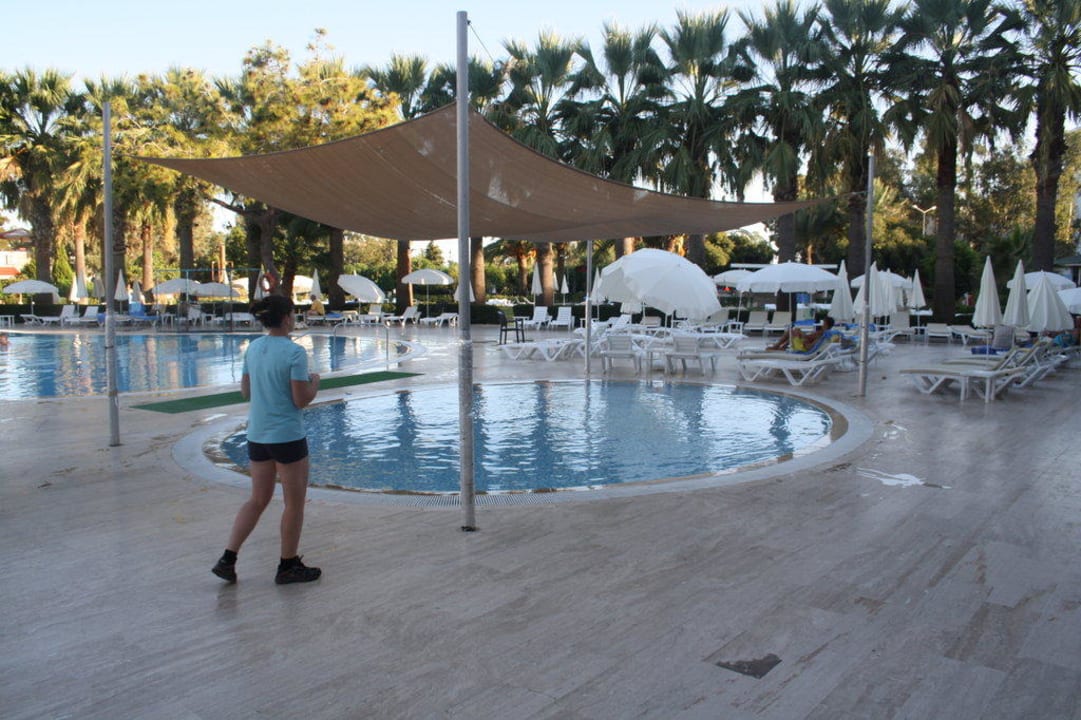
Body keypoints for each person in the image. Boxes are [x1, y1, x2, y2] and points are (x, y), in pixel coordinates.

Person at [212, 294, 322, 585]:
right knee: (294, 503)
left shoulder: (253, 348)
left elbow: (245, 391)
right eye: (293, 314)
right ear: (286, 318)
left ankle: (228, 558)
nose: (294, 319)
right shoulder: (294, 353)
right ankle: (288, 565)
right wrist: (314, 384)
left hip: (257, 436)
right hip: (287, 437)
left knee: (258, 499)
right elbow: (300, 400)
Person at [767, 316, 836, 352]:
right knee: (794, 331)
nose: (822, 324)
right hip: (805, 344)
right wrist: (803, 335)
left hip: (803, 348)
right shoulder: (826, 333)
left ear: (826, 324)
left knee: (793, 331)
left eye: (823, 322)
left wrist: (802, 336)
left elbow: (809, 340)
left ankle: (777, 346)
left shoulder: (822, 333)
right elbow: (811, 338)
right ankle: (781, 347)